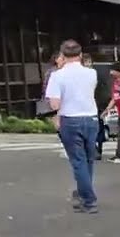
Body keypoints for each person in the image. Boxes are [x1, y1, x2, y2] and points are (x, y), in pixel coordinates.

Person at [45, 39, 101, 213]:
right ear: (80, 54)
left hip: (70, 120)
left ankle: (89, 200)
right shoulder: (92, 73)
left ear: (62, 55)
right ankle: (84, 194)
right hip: (91, 118)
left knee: (78, 162)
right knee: (88, 160)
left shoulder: (57, 76)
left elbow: (54, 104)